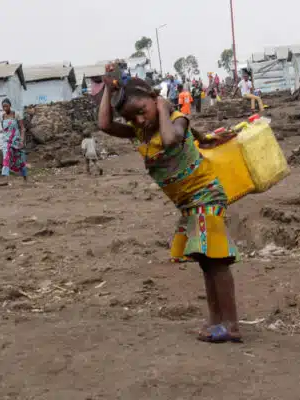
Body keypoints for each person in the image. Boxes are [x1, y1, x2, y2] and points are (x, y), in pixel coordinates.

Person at [97, 73, 242, 343]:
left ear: (155, 100)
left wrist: (164, 108)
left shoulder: (178, 120)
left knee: (217, 262)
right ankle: (215, 319)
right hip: (189, 204)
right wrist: (107, 88)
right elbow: (104, 124)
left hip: (206, 196)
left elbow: (171, 140)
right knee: (206, 263)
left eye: (142, 111)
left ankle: (231, 325)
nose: (139, 121)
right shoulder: (142, 131)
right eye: (131, 119)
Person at [1, 99, 27, 182]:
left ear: (10, 106)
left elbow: (22, 129)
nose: (5, 108)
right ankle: (5, 176)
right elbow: (5, 130)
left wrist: (22, 141)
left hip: (16, 140)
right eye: (3, 106)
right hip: (6, 141)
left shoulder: (16, 114)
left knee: (20, 160)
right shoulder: (2, 117)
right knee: (6, 155)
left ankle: (24, 176)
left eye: (6, 106)